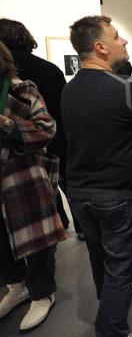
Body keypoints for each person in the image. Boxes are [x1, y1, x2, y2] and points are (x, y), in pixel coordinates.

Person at [61, 15, 132, 337]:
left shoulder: (70, 89)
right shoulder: (129, 88)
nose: (123, 41)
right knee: (121, 268)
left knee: (101, 259)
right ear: (100, 47)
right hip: (121, 196)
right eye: (116, 37)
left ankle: (109, 308)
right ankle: (111, 329)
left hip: (81, 197)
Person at [0, 41, 66, 331]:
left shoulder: (20, 89)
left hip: (21, 177)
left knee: (37, 240)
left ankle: (42, 291)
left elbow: (46, 128)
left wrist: (8, 125)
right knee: (1, 241)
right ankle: (16, 286)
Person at [0, 18, 79, 237]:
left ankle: (56, 222)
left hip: (19, 149)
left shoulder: (8, 75)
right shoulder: (49, 69)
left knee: (37, 191)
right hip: (55, 139)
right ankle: (79, 226)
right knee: (65, 181)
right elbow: (63, 108)